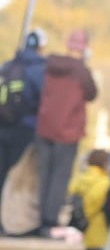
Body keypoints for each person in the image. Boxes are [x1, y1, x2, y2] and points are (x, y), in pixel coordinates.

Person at [35, 29, 98, 232]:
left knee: (42, 175)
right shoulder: (81, 70)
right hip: (68, 131)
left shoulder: (50, 64)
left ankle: (34, 218)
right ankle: (49, 221)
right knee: (59, 177)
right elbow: (92, 93)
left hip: (44, 127)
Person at [0, 30, 47, 196]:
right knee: (15, 176)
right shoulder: (40, 70)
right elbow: (45, 98)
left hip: (3, 123)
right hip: (25, 128)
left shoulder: (8, 65)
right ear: (41, 47)